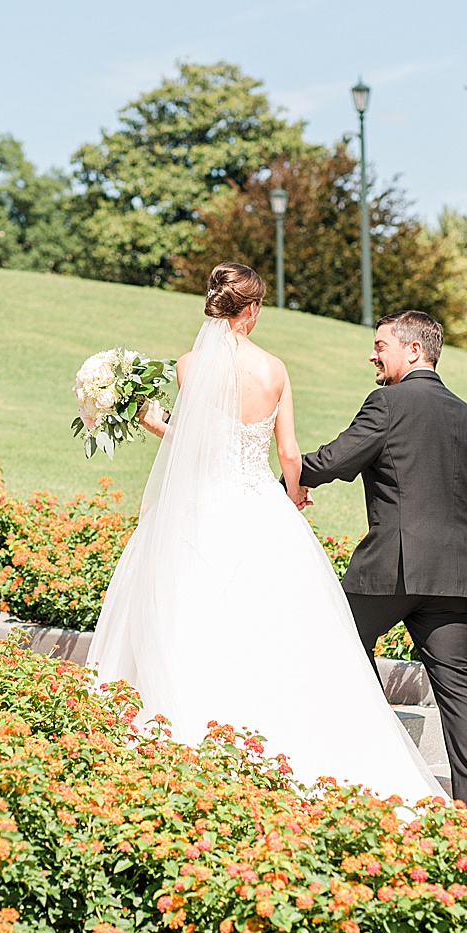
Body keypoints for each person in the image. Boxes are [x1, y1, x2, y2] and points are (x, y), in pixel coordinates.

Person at [88, 263, 444, 806]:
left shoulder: (190, 366)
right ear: (251, 310)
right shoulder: (274, 370)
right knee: (273, 619)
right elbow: (289, 453)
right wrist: (294, 494)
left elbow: (196, 444)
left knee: (190, 613)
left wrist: (156, 424)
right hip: (257, 504)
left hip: (200, 508)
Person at [292, 311, 467, 807]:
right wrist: (461, 563)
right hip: (457, 575)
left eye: (380, 345)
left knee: (336, 642)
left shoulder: (387, 402)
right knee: (458, 688)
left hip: (393, 569)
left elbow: (337, 459)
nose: (372, 354)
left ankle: (358, 767)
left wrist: (281, 484)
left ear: (413, 351)